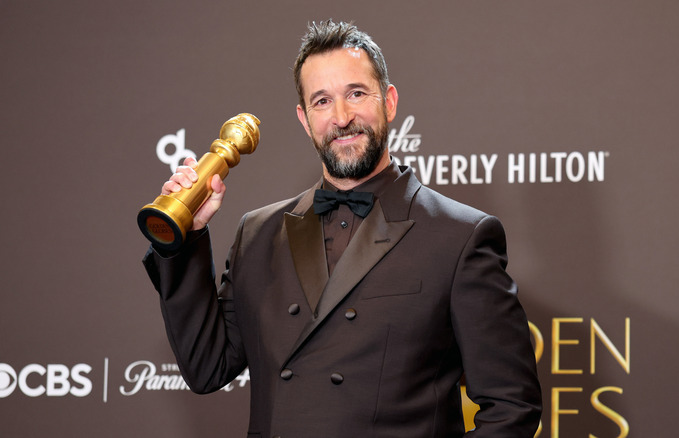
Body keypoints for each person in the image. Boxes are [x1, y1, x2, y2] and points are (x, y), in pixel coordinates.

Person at [143, 20, 542, 437]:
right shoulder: (257, 234)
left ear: (389, 102)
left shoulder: (460, 237)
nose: (341, 117)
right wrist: (183, 240)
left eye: (356, 93)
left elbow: (512, 404)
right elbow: (207, 368)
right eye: (321, 101)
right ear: (304, 118)